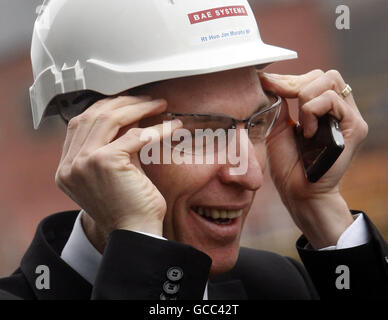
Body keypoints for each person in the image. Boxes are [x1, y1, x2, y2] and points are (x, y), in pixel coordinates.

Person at [1, 0, 387, 300]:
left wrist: (321, 210)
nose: (250, 175)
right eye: (204, 134)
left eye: (254, 123)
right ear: (98, 136)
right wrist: (140, 245)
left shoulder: (277, 284)